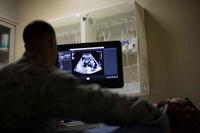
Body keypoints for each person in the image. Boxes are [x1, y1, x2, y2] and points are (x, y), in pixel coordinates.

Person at [0, 20, 169, 133]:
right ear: (52, 42)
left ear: (26, 43)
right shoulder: (47, 78)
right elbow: (105, 105)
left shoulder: (5, 73)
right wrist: (160, 114)